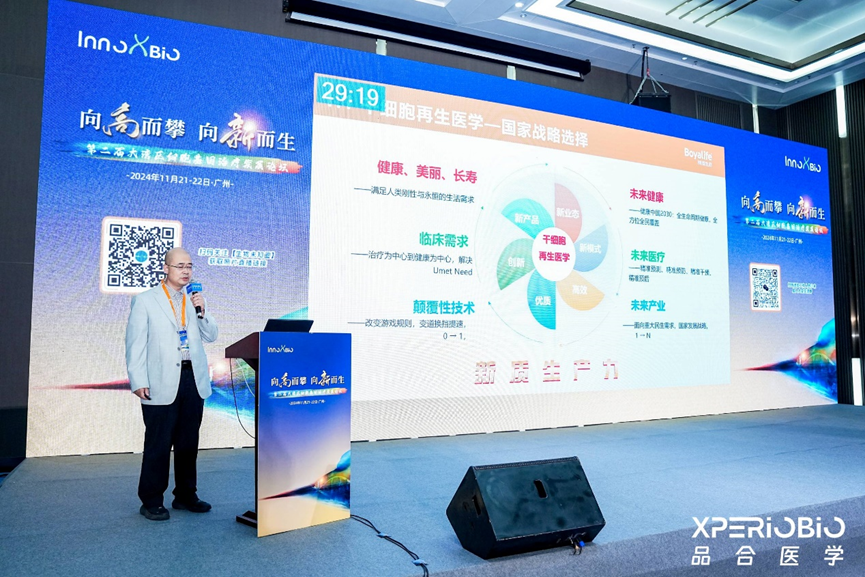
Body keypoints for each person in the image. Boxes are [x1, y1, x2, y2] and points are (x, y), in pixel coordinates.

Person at [126, 247, 218, 521]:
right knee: (158, 443)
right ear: (166, 268)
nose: (186, 271)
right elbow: (135, 344)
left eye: (189, 266)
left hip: (192, 379)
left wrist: (202, 310)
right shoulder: (145, 300)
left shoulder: (194, 300)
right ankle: (151, 500)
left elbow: (211, 335)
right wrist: (138, 379)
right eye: (180, 266)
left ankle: (186, 495)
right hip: (160, 380)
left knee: (189, 443)